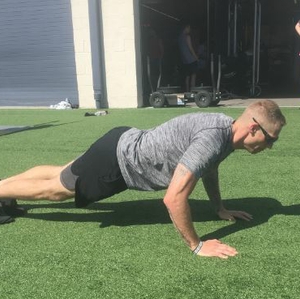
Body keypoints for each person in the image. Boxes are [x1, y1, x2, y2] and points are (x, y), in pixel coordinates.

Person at [0, 100, 286, 259]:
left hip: (120, 140)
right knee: (56, 190)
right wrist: (197, 245)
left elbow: (210, 169)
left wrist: (219, 208)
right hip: (117, 163)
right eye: (270, 138)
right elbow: (173, 199)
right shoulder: (213, 139)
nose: (270, 145)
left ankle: (4, 187)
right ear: (252, 128)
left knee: (61, 172)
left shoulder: (225, 128)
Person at [178, 22, 199, 92]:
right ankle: (193, 91)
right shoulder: (187, 37)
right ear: (186, 28)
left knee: (187, 76)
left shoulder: (179, 37)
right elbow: (190, 48)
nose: (190, 29)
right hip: (191, 59)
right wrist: (196, 57)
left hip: (184, 60)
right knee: (193, 75)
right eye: (189, 28)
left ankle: (187, 91)